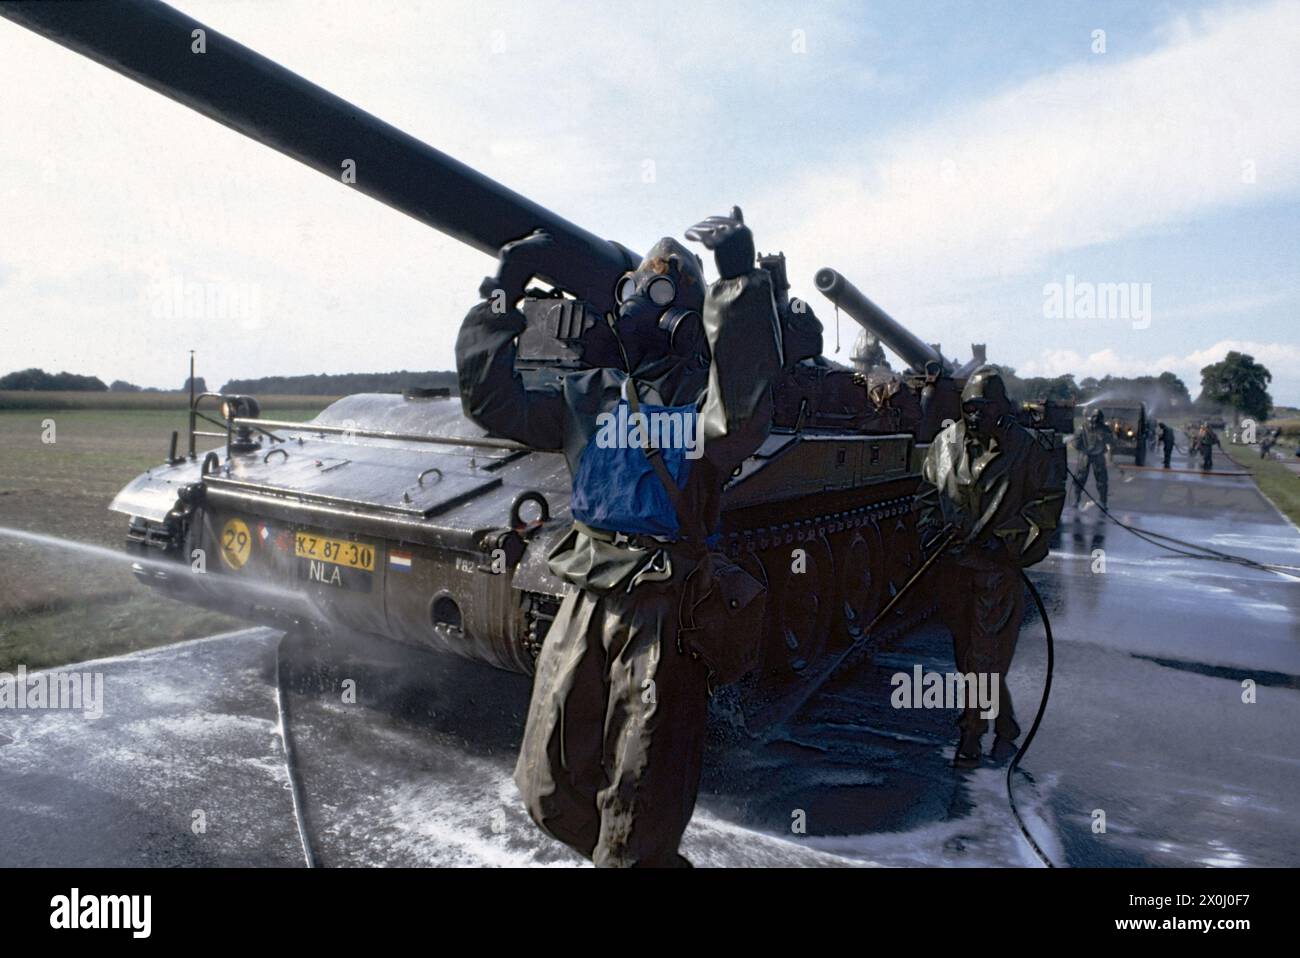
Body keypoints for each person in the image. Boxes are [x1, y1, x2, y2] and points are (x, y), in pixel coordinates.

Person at [456, 207, 784, 867]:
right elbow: (493, 403)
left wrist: (742, 281)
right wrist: (502, 293)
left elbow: (739, 418)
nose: (637, 304)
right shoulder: (592, 394)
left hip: (663, 604)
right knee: (546, 785)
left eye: (657, 293)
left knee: (644, 791)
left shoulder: (697, 403)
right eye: (635, 290)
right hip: (585, 592)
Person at [915, 366, 1065, 766]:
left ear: (1001, 407)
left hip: (997, 570)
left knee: (985, 654)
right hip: (952, 567)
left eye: (984, 407)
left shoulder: (1026, 449)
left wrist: (1008, 539)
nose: (976, 415)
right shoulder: (944, 444)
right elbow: (927, 494)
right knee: (969, 655)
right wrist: (931, 532)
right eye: (970, 407)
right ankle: (1007, 722)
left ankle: (970, 735)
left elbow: (1047, 503)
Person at [1071, 408, 1114, 508]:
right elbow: (1075, 442)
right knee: (1080, 478)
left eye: (1097, 418)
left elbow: (1111, 440)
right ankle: (1076, 499)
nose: (1095, 420)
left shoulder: (1104, 428)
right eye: (1093, 417)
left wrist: (1105, 439)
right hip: (1085, 455)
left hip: (1098, 456)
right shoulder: (1082, 428)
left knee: (1102, 480)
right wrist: (1082, 448)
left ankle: (1103, 501)